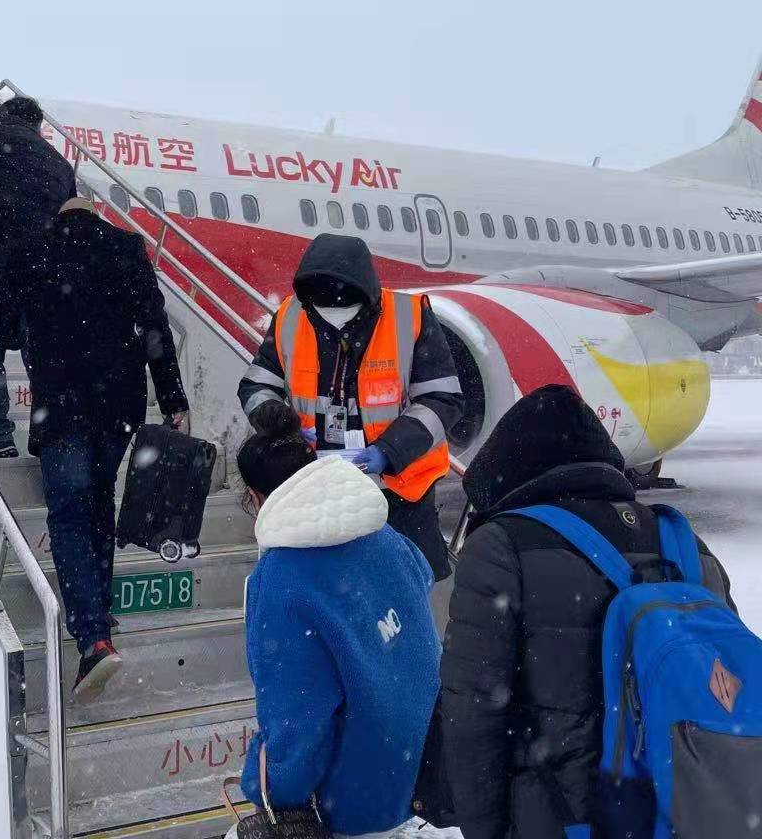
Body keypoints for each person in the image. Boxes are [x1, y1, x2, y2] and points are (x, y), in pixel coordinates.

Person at [437, 384, 736, 839]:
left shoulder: (502, 547)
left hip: (563, 818)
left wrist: (485, 828)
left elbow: (472, 715)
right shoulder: (684, 544)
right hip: (686, 809)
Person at [0, 198, 188, 701]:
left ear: (59, 217)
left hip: (62, 404)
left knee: (71, 514)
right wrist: (173, 399)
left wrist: (36, 327)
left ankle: (92, 638)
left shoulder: (33, 250)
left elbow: (2, 328)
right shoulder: (126, 247)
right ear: (95, 216)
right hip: (118, 402)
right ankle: (99, 607)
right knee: (99, 502)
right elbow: (154, 330)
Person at [229, 418, 439, 838]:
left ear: (256, 498)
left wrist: (269, 789)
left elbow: (296, 712)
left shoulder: (282, 577)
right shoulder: (385, 536)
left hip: (353, 798)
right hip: (420, 764)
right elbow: (421, 585)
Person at [237, 234, 462, 579]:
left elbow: (442, 399)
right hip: (315, 483)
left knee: (403, 587)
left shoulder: (410, 317)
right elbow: (257, 385)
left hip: (398, 489)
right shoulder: (291, 316)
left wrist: (391, 450)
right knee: (326, 589)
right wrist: (278, 420)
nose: (333, 318)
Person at [0, 96, 76, 458]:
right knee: (41, 359)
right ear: (37, 126)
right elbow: (70, 225)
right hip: (43, 278)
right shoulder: (59, 164)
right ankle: (50, 441)